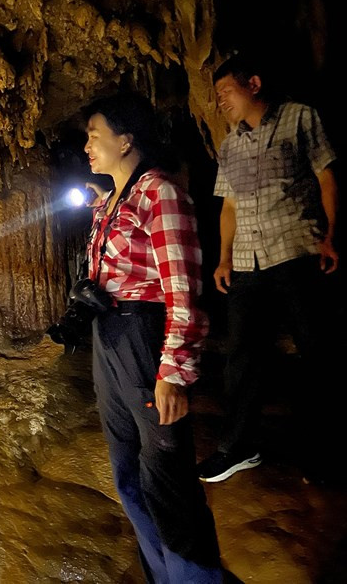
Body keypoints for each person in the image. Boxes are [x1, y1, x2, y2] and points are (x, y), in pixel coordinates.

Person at [81, 93, 224, 582]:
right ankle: (163, 573)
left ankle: (194, 576)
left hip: (144, 336)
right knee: (126, 471)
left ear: (125, 140)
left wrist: (174, 370)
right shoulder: (109, 204)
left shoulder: (159, 193)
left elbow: (183, 286)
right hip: (109, 338)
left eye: (94, 136)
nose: (87, 146)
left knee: (166, 477)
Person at [196, 55, 340, 484]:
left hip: (295, 249)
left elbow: (326, 178)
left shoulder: (299, 118)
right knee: (241, 358)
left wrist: (332, 235)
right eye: (217, 95)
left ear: (254, 84)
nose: (220, 101)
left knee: (317, 353)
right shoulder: (229, 145)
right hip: (248, 261)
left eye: (226, 91)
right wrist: (224, 257)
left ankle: (324, 451)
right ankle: (238, 446)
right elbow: (229, 206)